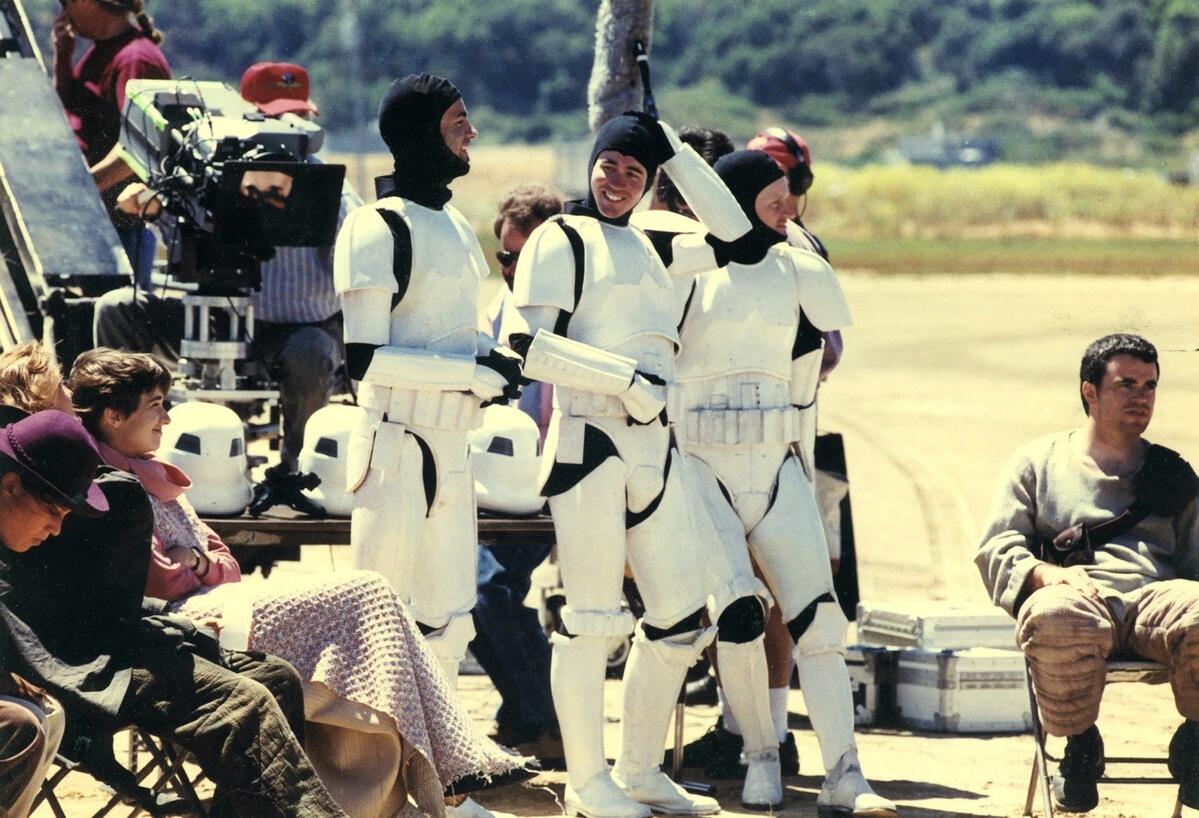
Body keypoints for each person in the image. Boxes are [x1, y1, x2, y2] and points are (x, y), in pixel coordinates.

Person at [64, 347, 528, 818]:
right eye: (155, 405)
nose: (166, 418)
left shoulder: (152, 474)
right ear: (114, 415)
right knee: (366, 597)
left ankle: (414, 785)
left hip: (212, 605)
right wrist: (201, 565)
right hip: (177, 627)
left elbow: (224, 563)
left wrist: (197, 562)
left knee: (368, 619)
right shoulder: (108, 482)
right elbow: (162, 580)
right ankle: (450, 772)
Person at [506, 111, 790, 817]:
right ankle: (586, 780)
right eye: (609, 165)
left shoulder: (654, 245)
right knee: (591, 618)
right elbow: (526, 343)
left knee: (679, 617)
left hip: (653, 446)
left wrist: (674, 152)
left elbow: (740, 234)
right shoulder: (560, 237)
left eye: (634, 171)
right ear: (591, 163)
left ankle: (638, 769)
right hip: (589, 439)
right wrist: (624, 381)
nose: (618, 181)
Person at [0, 349, 349, 818]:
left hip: (113, 640)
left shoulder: (84, 478)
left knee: (277, 677)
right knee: (242, 705)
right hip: (79, 664)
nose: (71, 398)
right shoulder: (47, 485)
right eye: (59, 390)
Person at [663, 150, 893, 816]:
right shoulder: (686, 269)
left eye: (789, 195)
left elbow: (809, 370)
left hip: (776, 463)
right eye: (772, 195)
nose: (787, 207)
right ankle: (760, 752)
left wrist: (798, 460)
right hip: (699, 464)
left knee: (819, 619)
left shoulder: (800, 269)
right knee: (737, 614)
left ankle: (844, 772)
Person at [333, 73, 525, 818]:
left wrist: (493, 360)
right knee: (377, 621)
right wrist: (472, 372)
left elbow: (450, 334)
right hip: (394, 444)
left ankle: (440, 788)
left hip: (451, 444)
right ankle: (365, 789)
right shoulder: (375, 228)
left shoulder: (450, 227)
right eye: (456, 121)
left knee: (449, 619)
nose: (470, 133)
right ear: (419, 133)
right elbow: (364, 361)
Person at [93, 62, 359, 476]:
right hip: (215, 319)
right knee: (115, 311)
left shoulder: (328, 185)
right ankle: (123, 453)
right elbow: (180, 235)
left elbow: (355, 256)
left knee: (311, 351)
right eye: (275, 118)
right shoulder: (211, 168)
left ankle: (296, 472)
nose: (287, 129)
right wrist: (154, 206)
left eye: (297, 117)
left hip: (295, 328)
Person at [976, 333, 1199, 813]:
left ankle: (1195, 742)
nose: (1141, 396)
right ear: (1089, 391)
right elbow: (996, 546)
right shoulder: (1037, 464)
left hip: (1154, 602)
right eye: (1126, 384)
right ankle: (1080, 746)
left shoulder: (1172, 474)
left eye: (1150, 385)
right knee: (1053, 617)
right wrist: (1043, 574)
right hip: (1078, 600)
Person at [472, 185, 563, 760]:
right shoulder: (500, 305)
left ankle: (547, 715)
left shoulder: (573, 310)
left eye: (521, 258)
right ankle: (527, 712)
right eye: (503, 256)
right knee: (477, 591)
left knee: (490, 589)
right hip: (496, 476)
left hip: (551, 479)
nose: (509, 269)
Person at [53, 0, 170, 285]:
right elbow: (70, 115)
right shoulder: (102, 52)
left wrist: (84, 189)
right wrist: (63, 58)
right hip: (95, 223)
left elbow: (142, 146)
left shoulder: (135, 60)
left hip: (116, 230)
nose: (63, 11)